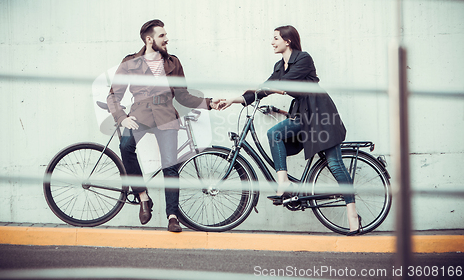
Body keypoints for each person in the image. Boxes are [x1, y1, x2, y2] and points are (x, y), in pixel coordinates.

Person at [219, 25, 362, 235]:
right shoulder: (280, 65)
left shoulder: (303, 58)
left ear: (287, 41)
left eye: (275, 38)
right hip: (302, 114)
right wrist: (234, 99)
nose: (272, 41)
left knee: (335, 164)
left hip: (320, 114)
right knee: (275, 134)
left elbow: (285, 83)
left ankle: (352, 213)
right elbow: (265, 88)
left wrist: (265, 88)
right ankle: (284, 182)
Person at [107, 19, 221, 233]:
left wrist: (210, 103)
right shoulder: (130, 62)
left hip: (167, 115)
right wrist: (122, 118)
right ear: (149, 39)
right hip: (139, 115)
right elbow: (113, 95)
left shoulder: (173, 63)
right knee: (125, 146)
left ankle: (172, 216)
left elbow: (184, 96)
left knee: (170, 165)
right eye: (162, 36)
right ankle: (143, 197)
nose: (166, 39)